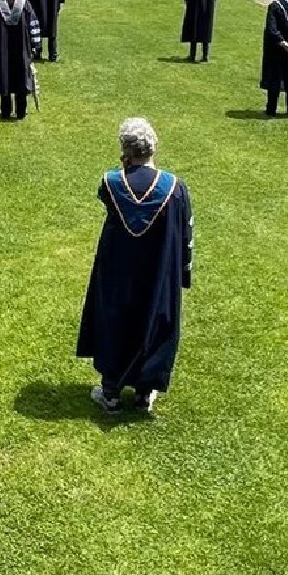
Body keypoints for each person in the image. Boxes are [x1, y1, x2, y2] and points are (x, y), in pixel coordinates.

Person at [77, 118, 194, 413]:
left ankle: (111, 392)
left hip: (118, 270)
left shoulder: (111, 183)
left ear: (125, 152)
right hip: (159, 272)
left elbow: (112, 196)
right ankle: (144, 393)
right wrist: (184, 272)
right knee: (154, 322)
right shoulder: (176, 188)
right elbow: (186, 233)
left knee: (115, 320)